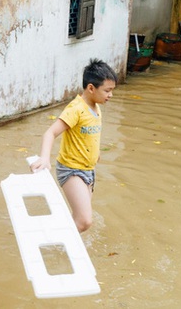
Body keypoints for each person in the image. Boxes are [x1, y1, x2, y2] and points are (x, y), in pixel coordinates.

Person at [30, 59, 117, 233]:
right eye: (107, 91)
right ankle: (49, 237)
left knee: (79, 218)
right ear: (91, 88)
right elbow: (50, 133)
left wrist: (95, 152)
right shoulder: (76, 109)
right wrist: (45, 157)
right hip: (71, 170)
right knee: (84, 221)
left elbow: (89, 134)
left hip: (88, 170)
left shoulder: (96, 107)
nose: (110, 95)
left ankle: (60, 246)